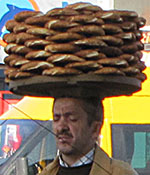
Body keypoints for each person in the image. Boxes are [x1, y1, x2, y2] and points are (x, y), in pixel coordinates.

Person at [38, 97, 138, 175]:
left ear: (95, 129)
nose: (61, 127)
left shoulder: (120, 173)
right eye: (56, 119)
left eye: (72, 119)